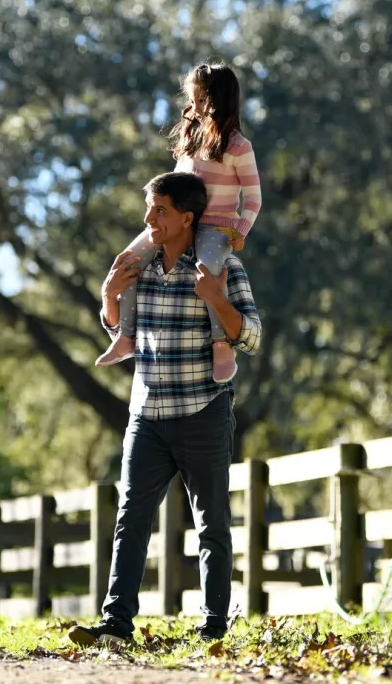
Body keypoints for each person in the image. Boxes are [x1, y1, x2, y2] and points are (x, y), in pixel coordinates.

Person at [69, 171, 262, 647]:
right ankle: (116, 624)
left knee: (211, 521)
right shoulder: (140, 265)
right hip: (147, 416)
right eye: (149, 208)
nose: (147, 218)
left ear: (187, 218)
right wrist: (109, 298)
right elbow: (117, 329)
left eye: (159, 210)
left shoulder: (222, 268)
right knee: (130, 519)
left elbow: (253, 337)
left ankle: (214, 623)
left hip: (204, 412)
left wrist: (217, 299)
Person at [95, 62, 262, 383]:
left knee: (208, 268)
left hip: (216, 227)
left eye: (202, 100)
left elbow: (253, 198)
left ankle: (221, 343)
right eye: (194, 100)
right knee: (129, 260)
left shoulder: (239, 147)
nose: (195, 107)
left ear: (219, 100)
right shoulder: (191, 142)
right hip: (181, 223)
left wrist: (241, 230)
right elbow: (175, 186)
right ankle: (125, 335)